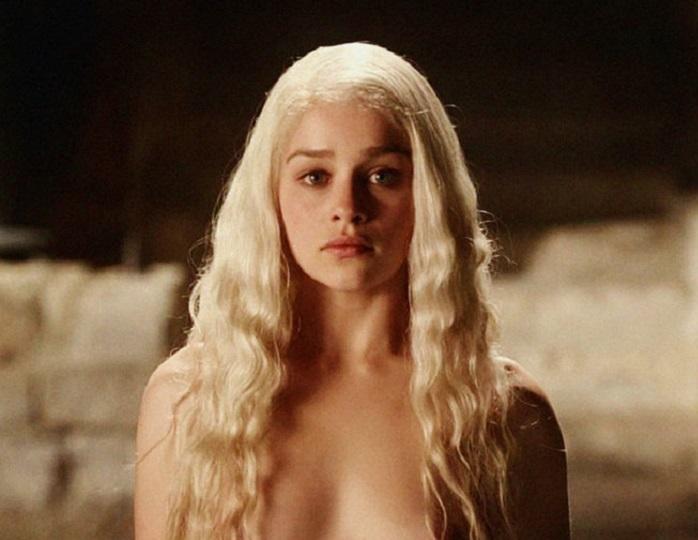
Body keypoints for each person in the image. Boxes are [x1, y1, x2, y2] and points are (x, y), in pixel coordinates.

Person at [134, 42, 570, 540]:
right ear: (270, 193)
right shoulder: (190, 399)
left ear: (429, 193)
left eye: (382, 175)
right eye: (315, 176)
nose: (347, 207)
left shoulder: (505, 412)